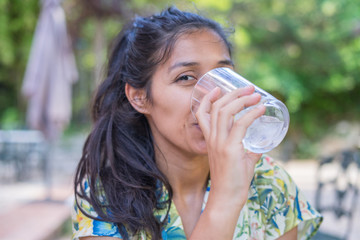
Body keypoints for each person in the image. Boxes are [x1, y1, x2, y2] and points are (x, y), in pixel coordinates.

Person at [72, 6, 322, 240]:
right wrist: (226, 197)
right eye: (186, 78)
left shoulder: (269, 183)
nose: (214, 96)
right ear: (140, 97)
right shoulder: (106, 198)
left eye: (224, 75)